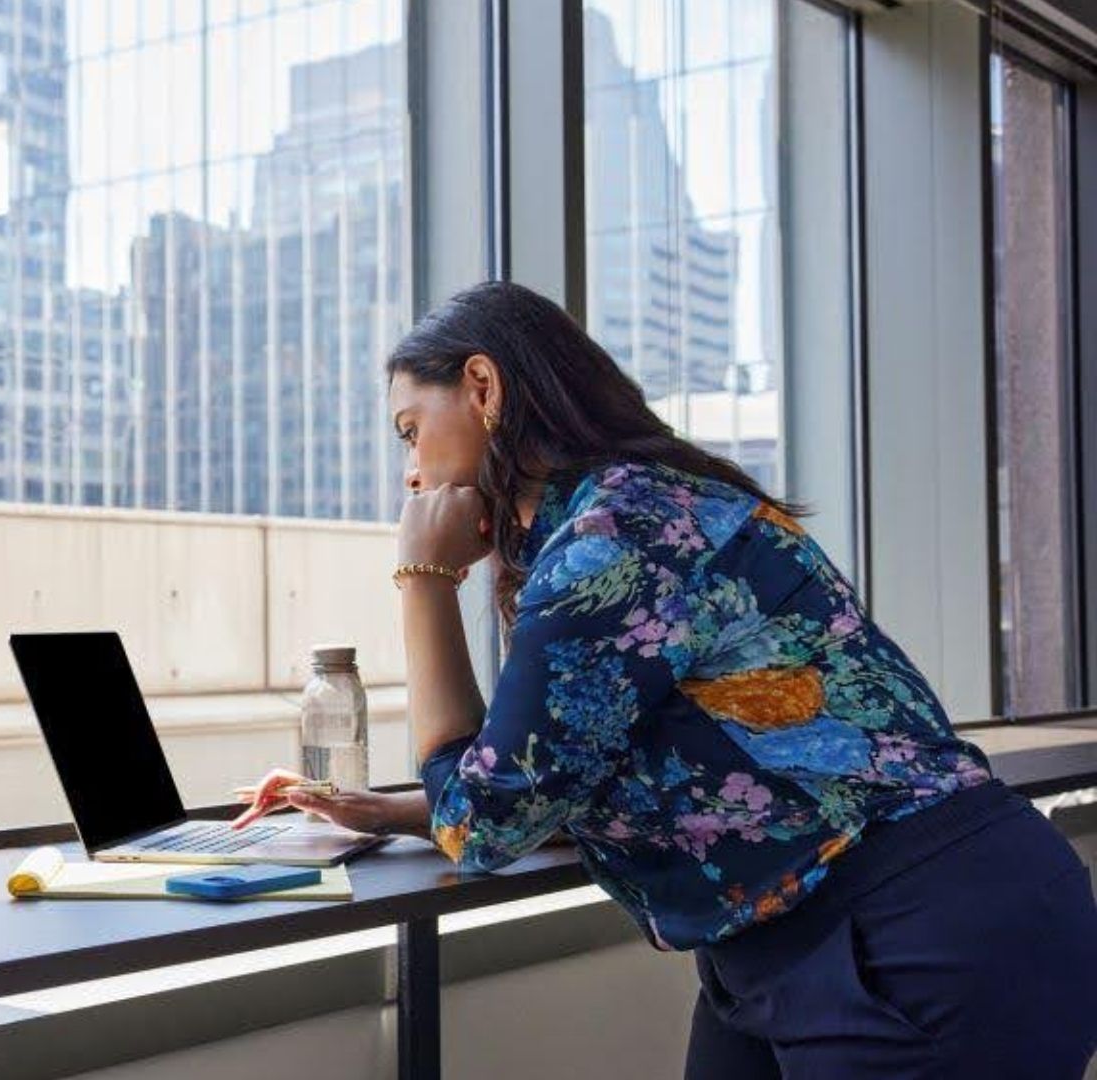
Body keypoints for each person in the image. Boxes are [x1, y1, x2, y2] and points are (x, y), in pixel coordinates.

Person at [233, 281, 1097, 1078]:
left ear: (485, 387)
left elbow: (487, 823)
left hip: (911, 926)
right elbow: (557, 781)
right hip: (804, 934)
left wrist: (423, 582)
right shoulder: (641, 508)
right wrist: (399, 811)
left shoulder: (614, 540)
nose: (411, 474)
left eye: (411, 430)